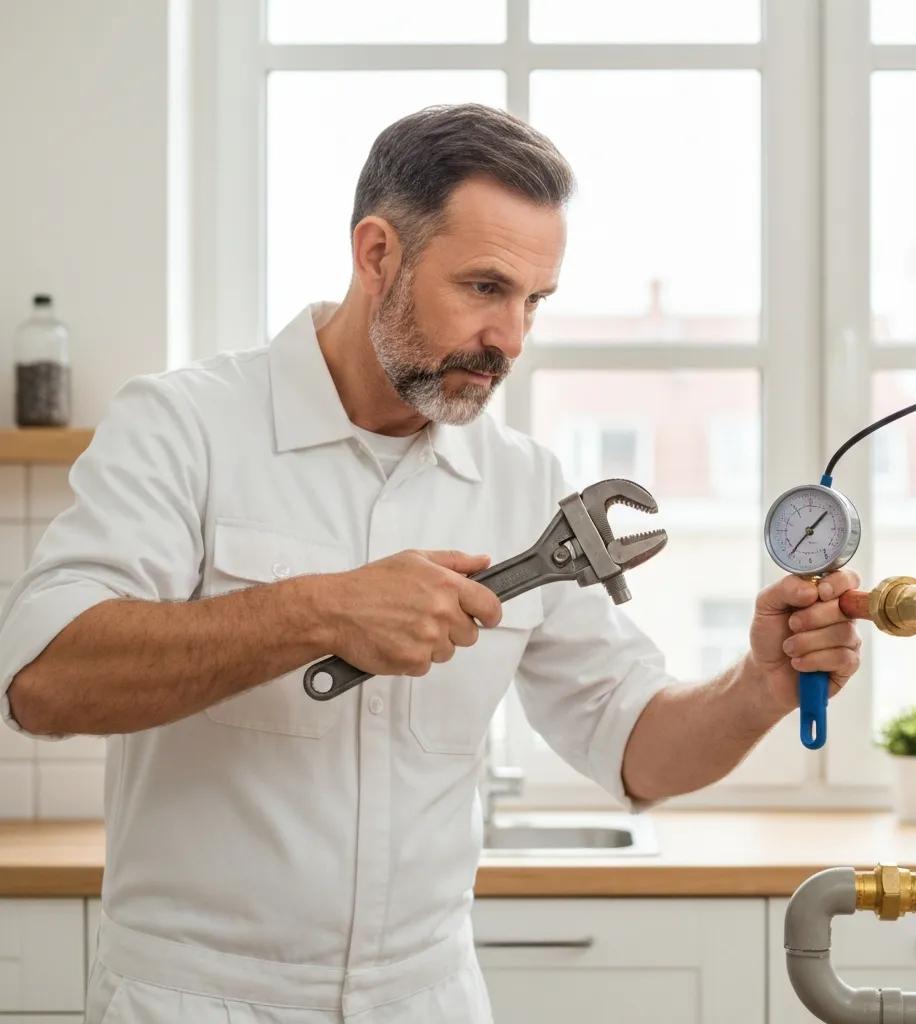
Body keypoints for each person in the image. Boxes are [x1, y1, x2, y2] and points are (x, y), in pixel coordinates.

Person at [0, 104, 861, 1023]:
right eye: (485, 287)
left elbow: (635, 747)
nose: (512, 339)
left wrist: (760, 686)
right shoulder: (184, 426)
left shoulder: (524, 483)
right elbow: (44, 682)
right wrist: (318, 611)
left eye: (534, 301)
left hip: (426, 997)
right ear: (378, 254)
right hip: (198, 999)